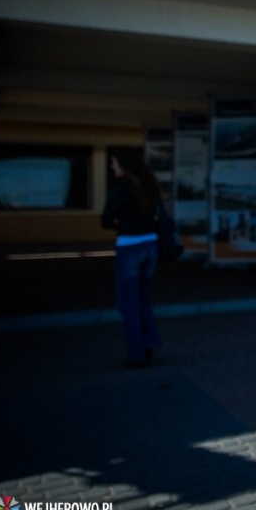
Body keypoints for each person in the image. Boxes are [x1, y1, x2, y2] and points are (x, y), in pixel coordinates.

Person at [101, 148, 164, 368]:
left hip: (129, 246)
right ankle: (148, 345)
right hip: (151, 245)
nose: (112, 167)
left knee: (129, 303)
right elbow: (158, 216)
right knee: (143, 297)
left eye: (114, 163)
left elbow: (106, 220)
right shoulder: (150, 185)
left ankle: (136, 355)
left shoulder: (120, 188)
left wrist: (121, 222)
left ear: (124, 165)